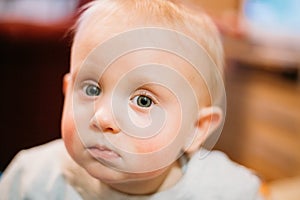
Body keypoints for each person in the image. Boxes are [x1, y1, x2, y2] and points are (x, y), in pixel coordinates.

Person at [0, 0, 263, 199]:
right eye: (92, 89)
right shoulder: (31, 179)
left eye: (143, 101)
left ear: (195, 128)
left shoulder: (227, 191)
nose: (102, 118)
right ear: (67, 91)